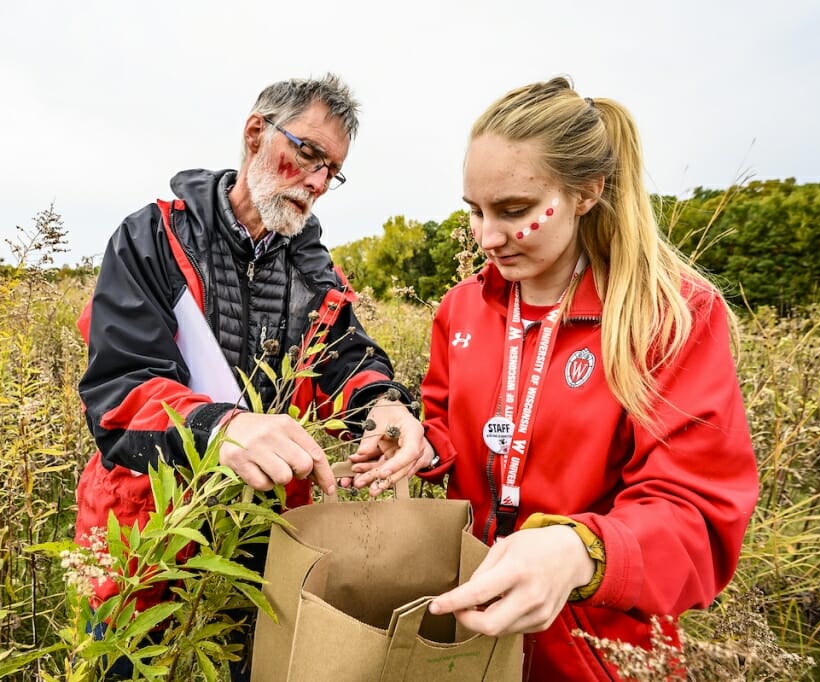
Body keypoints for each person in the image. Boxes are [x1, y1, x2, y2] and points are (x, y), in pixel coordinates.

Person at [383, 76, 757, 680]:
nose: (488, 238)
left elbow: (698, 514)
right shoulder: (462, 310)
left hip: (600, 652)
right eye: (475, 212)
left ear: (587, 192)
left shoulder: (668, 316)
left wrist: (579, 552)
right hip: (472, 642)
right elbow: (449, 424)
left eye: (514, 211)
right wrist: (419, 442)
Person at [73, 73, 428, 679]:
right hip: (146, 534)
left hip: (259, 544)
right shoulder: (153, 239)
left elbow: (348, 359)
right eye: (308, 153)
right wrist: (221, 428)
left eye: (331, 171)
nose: (316, 182)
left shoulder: (314, 269)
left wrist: (388, 407)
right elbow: (119, 393)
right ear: (256, 133)